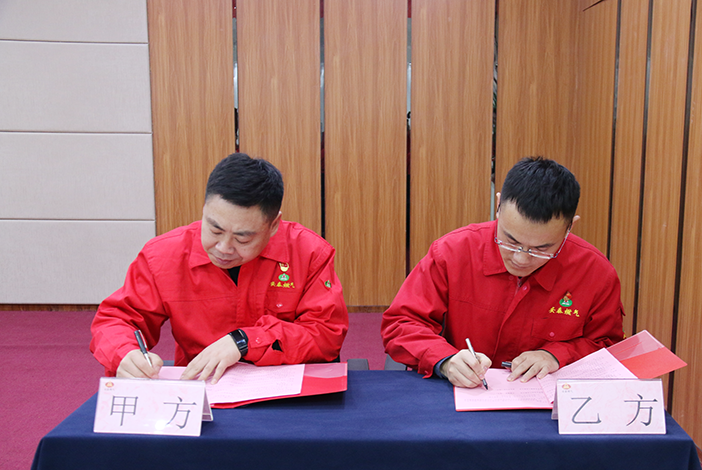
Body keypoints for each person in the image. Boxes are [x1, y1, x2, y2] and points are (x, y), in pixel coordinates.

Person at [91, 153, 348, 383]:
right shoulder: (162, 256)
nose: (224, 248)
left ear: (273, 225)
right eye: (215, 229)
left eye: (242, 238)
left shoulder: (308, 253)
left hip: (286, 389)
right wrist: (124, 353)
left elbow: (326, 334)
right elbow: (118, 319)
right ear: (204, 210)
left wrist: (245, 342)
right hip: (203, 388)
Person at [381, 156, 624, 388]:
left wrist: (557, 355)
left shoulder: (596, 273)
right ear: (498, 206)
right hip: (458, 394)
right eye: (510, 241)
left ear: (570, 226)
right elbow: (402, 324)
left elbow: (608, 346)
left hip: (545, 402)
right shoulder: (452, 253)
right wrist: (445, 360)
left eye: (542, 249)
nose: (521, 258)